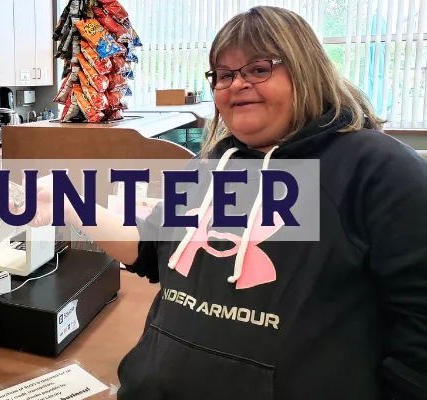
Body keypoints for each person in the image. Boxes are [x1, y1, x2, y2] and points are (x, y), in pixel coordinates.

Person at [27, 6, 427, 399]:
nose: (236, 84)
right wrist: (66, 203)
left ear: (307, 70)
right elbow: (150, 250)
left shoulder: (378, 170)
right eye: (224, 75)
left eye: (258, 69)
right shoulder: (211, 166)